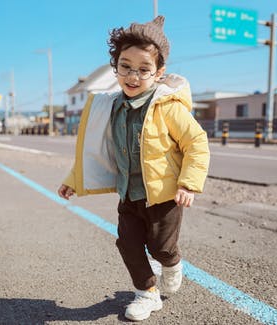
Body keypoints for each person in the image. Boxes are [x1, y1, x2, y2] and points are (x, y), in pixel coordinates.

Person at [58, 15, 210, 322]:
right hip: (129, 195)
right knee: (126, 243)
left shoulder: (168, 107)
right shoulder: (110, 107)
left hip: (164, 197)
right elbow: (94, 150)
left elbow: (196, 142)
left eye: (144, 69)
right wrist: (73, 180)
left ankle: (172, 263)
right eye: (125, 66)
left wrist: (188, 183)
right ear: (116, 66)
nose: (133, 76)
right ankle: (147, 293)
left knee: (161, 248)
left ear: (159, 73)